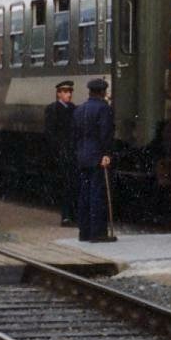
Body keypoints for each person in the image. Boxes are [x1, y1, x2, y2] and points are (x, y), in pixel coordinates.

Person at [72, 77, 116, 243]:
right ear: (103, 92)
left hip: (82, 155)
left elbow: (75, 134)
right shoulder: (104, 109)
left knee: (84, 194)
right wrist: (106, 153)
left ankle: (84, 232)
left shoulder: (80, 109)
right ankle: (98, 233)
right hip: (97, 155)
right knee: (97, 194)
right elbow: (105, 133)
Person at [43, 79, 77, 225]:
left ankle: (72, 215)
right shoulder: (52, 109)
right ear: (58, 94)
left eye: (70, 92)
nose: (68, 95)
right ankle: (65, 216)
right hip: (61, 151)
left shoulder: (74, 108)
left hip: (72, 151)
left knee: (72, 184)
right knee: (65, 184)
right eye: (65, 92)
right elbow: (50, 132)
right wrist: (58, 150)